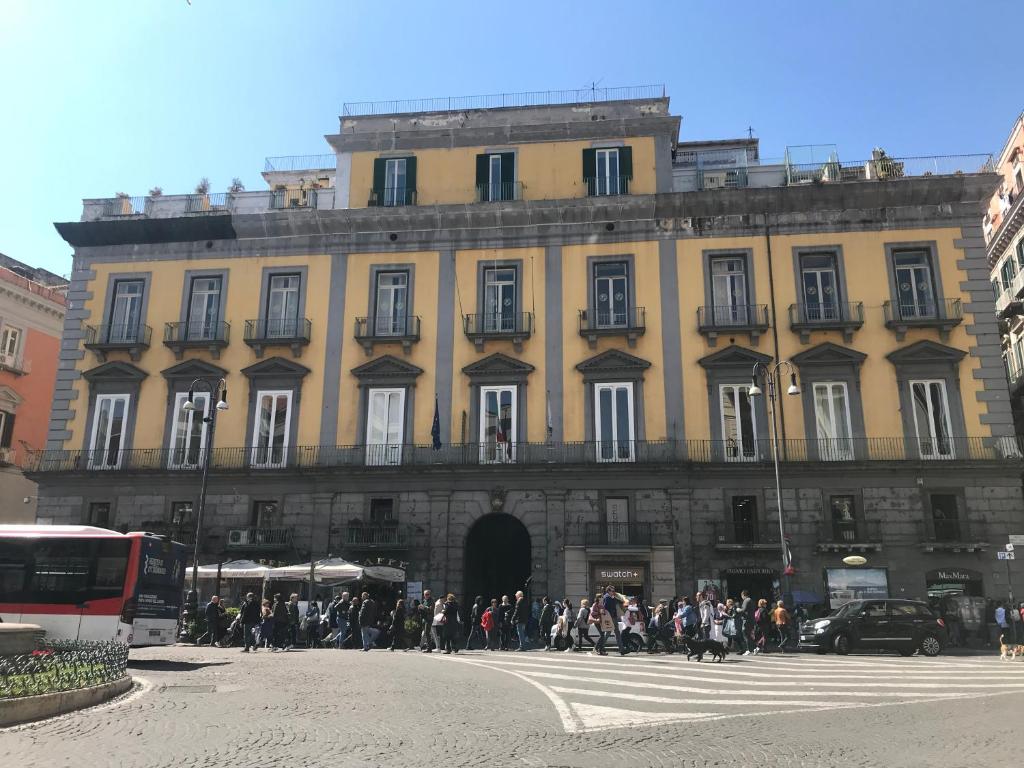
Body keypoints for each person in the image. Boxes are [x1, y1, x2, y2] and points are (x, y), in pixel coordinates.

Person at [602, 585, 627, 655]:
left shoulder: (612, 597)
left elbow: (620, 601)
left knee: (616, 632)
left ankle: (621, 649)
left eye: (614, 591)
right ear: (608, 591)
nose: (614, 592)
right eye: (612, 591)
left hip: (613, 617)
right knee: (608, 632)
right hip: (610, 617)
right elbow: (605, 608)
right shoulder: (607, 597)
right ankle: (600, 646)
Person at [736, 590, 752, 655]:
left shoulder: (746, 600)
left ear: (743, 595)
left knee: (746, 635)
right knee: (748, 635)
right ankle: (754, 648)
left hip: (746, 620)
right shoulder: (751, 600)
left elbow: (743, 610)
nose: (741, 597)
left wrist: (738, 609)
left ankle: (748, 649)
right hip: (750, 619)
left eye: (741, 596)